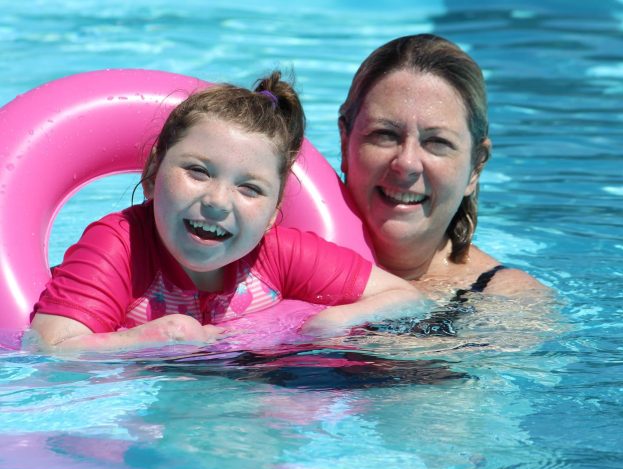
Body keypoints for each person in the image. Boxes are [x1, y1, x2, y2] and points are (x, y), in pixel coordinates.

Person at [29, 71, 425, 352]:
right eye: (198, 171)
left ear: (273, 214)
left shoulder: (277, 253)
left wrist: (330, 323)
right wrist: (142, 341)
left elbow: (407, 297)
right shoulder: (121, 245)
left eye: (250, 188)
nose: (218, 201)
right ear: (152, 175)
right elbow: (50, 348)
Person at [338, 34, 547, 299]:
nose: (407, 163)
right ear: (345, 143)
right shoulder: (276, 259)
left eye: (437, 141)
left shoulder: (507, 300)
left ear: (476, 166)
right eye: (385, 134)